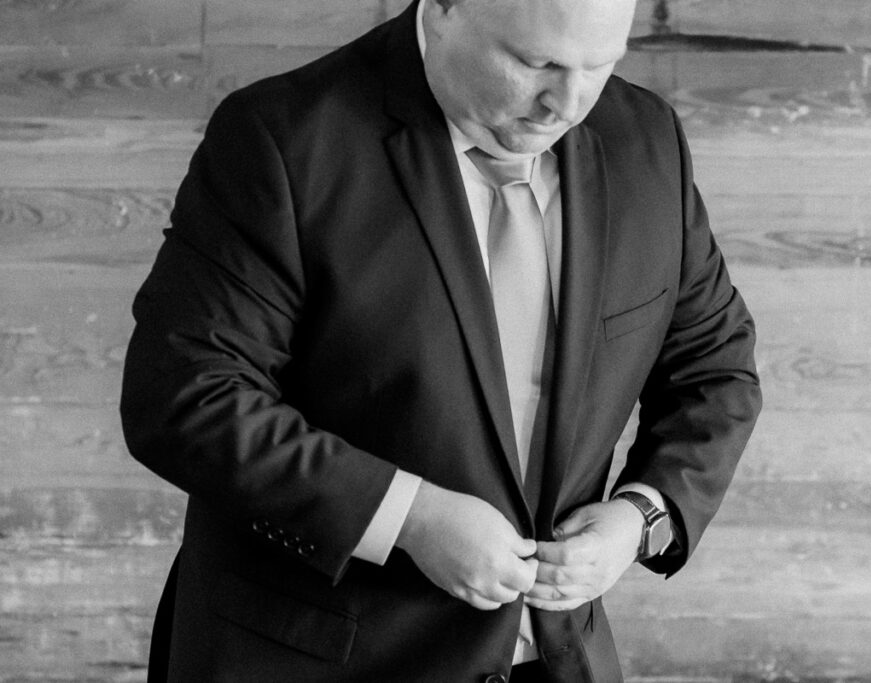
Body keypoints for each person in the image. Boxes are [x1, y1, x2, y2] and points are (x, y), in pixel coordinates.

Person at [119, 0, 762, 680]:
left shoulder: (647, 138)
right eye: (536, 62)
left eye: (600, 64)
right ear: (447, 8)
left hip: (556, 659)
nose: (568, 104)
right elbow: (186, 394)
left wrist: (639, 519)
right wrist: (408, 516)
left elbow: (715, 371)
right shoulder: (281, 138)